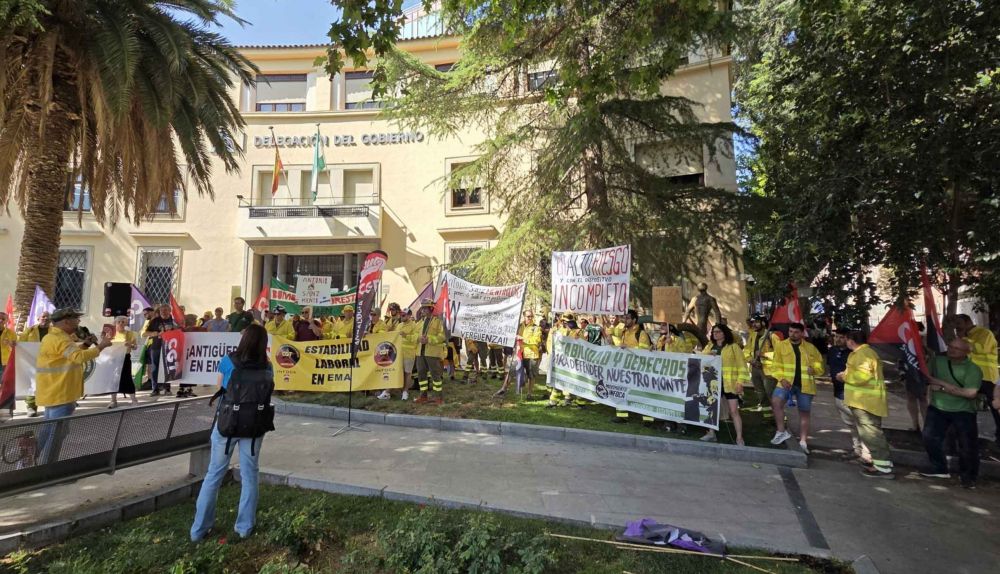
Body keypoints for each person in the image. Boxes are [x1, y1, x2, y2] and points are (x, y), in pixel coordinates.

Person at [190, 324, 272, 542]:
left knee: (214, 474)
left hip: (227, 424)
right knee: (250, 475)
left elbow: (220, 388)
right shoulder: (267, 366)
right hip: (254, 426)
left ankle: (199, 529)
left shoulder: (228, 361)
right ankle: (245, 527)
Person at [35, 308, 112, 462]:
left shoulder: (54, 337)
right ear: (66, 321)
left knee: (48, 429)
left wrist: (85, 345)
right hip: (61, 393)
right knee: (57, 433)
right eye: (76, 319)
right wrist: (101, 346)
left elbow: (67, 356)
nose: (79, 322)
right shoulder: (60, 339)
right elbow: (77, 358)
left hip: (54, 392)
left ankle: (32, 460)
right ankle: (47, 468)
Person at [920, 338, 982, 488]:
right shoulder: (938, 361)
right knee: (929, 437)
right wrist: (947, 386)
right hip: (938, 407)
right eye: (950, 346)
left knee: (967, 446)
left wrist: (942, 386)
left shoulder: (973, 369)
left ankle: (968, 477)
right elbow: (927, 377)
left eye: (956, 348)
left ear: (966, 352)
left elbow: (970, 393)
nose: (951, 350)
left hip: (963, 411)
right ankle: (939, 469)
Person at [837, 331, 893, 478]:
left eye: (846, 339)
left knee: (872, 434)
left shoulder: (863, 354)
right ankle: (879, 463)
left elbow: (862, 376)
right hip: (863, 401)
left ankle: (883, 467)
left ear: (851, 341)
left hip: (866, 402)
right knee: (869, 433)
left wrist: (843, 376)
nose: (845, 342)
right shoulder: (862, 353)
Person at [770, 322, 824, 453]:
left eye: (796, 332)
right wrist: (781, 378)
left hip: (805, 385)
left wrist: (815, 370)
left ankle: (803, 441)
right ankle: (781, 431)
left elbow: (820, 366)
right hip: (786, 382)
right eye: (790, 331)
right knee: (776, 402)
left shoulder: (810, 348)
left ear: (802, 333)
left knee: (804, 412)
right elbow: (776, 365)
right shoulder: (781, 346)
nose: (792, 334)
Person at [952, 314, 999, 445]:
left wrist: (964, 339)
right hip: (971, 378)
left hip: (988, 377)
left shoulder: (984, 333)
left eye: (959, 323)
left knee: (996, 407)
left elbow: (981, 349)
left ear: (968, 322)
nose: (957, 327)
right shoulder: (962, 337)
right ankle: (968, 437)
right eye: (955, 324)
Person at [699, 323, 749, 445]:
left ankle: (739, 437)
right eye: (714, 332)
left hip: (730, 383)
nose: (715, 334)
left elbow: (742, 365)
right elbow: (700, 359)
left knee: (733, 411)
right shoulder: (710, 346)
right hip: (713, 382)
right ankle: (711, 433)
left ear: (725, 333)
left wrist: (740, 382)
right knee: (711, 409)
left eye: (718, 332)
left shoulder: (733, 347)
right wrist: (707, 355)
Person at [826, 328, 868, 460]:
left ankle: (867, 452)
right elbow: (830, 366)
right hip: (838, 391)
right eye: (836, 336)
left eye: (842, 337)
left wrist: (844, 377)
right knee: (850, 423)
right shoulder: (832, 350)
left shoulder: (854, 353)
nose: (838, 339)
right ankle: (857, 449)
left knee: (860, 422)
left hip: (851, 392)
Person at [613, 310, 652, 424]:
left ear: (634, 320)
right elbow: (612, 331)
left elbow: (644, 351)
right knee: (621, 391)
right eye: (624, 318)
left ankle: (648, 419)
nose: (625, 320)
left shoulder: (641, 333)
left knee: (643, 394)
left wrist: (628, 348)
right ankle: (622, 416)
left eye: (627, 318)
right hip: (625, 367)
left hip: (639, 369)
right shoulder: (624, 332)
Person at [409, 299, 446, 404]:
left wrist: (429, 339)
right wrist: (418, 338)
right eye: (422, 308)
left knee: (435, 375)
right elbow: (415, 334)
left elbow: (442, 336)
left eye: (425, 308)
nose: (423, 310)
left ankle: (438, 397)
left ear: (431, 308)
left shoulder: (438, 321)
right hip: (420, 352)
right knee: (421, 375)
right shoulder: (420, 322)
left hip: (432, 353)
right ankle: (423, 396)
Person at [744, 314, 781, 410]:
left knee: (770, 394)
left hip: (768, 371)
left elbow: (780, 354)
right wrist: (751, 360)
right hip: (754, 368)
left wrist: (764, 354)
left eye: (756, 322)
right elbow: (746, 351)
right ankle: (766, 414)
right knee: (760, 393)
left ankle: (777, 414)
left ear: (763, 323)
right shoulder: (753, 335)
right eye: (753, 322)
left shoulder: (772, 336)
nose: (754, 325)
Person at [17, 310, 51, 416]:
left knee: (49, 383)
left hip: (49, 362)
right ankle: (31, 406)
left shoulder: (55, 331)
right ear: (38, 318)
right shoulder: (30, 330)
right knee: (33, 384)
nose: (45, 319)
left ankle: (49, 406)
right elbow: (20, 342)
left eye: (48, 317)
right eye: (43, 317)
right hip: (32, 361)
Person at [382, 308, 416, 401]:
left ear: (409, 315)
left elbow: (416, 338)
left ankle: (405, 392)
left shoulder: (414, 325)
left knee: (407, 373)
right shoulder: (399, 325)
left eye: (404, 315)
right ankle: (387, 392)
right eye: (401, 315)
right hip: (398, 353)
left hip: (409, 353)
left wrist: (406, 336)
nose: (402, 316)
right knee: (395, 371)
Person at [144, 305, 178, 396]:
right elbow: (145, 333)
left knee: (168, 368)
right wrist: (155, 333)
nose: (163, 312)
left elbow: (180, 331)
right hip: (156, 347)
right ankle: (155, 389)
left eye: (166, 310)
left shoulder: (174, 321)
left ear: (170, 311)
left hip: (170, 347)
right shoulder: (155, 321)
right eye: (162, 310)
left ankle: (167, 388)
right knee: (155, 368)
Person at [108, 315, 139, 408]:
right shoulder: (111, 334)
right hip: (113, 358)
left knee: (127, 378)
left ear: (126, 323)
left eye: (123, 322)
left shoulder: (130, 334)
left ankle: (134, 400)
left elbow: (135, 347)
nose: (121, 324)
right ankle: (113, 401)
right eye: (119, 322)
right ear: (115, 324)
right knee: (113, 379)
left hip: (125, 358)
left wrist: (131, 345)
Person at [0, 312, 15, 393]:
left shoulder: (11, 333)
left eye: (3, 319)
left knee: (4, 381)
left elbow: (16, 347)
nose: (0, 320)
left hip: (4, 361)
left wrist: (10, 343)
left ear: (6, 321)